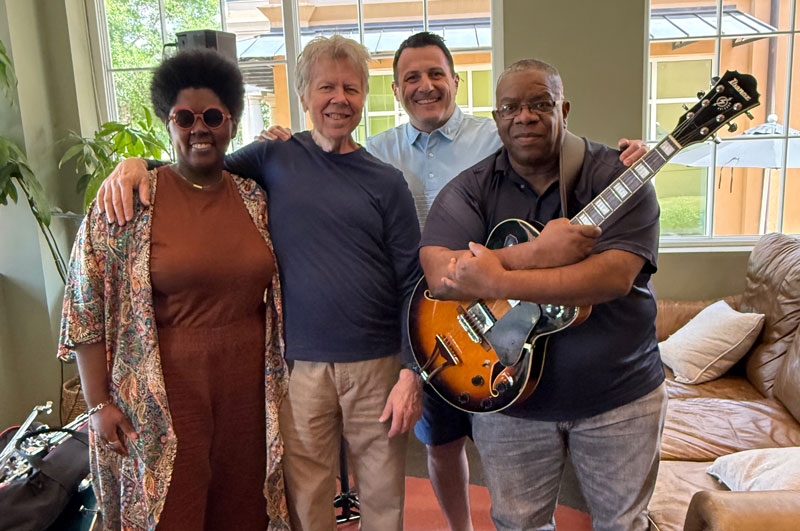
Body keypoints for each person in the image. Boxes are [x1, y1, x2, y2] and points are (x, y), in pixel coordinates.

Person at [261, 31, 648, 531]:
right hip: (432, 321)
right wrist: (280, 143)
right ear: (396, 91)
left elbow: (553, 140)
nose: (425, 85)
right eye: (412, 78)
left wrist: (627, 159)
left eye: (436, 74)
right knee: (441, 445)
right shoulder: (377, 152)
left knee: (512, 477)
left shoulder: (498, 134)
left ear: (456, 81)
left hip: (509, 322)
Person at [95, 35, 422, 531]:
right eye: (326, 87)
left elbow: (414, 281)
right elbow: (198, 164)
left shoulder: (387, 182)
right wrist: (136, 165)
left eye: (351, 88)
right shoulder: (273, 157)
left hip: (376, 364)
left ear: (365, 96)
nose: (339, 99)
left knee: (382, 495)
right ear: (305, 95)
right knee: (306, 497)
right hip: (298, 367)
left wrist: (411, 371)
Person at [419, 58, 667, 531]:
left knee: (623, 525)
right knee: (519, 525)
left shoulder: (618, 175)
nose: (524, 117)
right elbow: (439, 273)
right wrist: (539, 252)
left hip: (621, 397)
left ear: (563, 109)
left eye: (540, 104)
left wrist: (496, 279)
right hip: (509, 397)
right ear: (497, 117)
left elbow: (612, 277)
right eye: (510, 107)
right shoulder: (474, 187)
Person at [57, 49, 290, 530]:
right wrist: (98, 403)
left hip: (248, 391)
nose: (199, 128)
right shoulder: (127, 202)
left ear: (231, 122)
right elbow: (84, 306)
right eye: (185, 118)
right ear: (168, 122)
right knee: (172, 510)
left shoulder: (255, 198)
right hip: (162, 394)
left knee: (244, 509)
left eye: (213, 117)